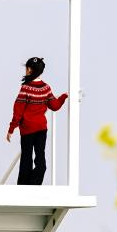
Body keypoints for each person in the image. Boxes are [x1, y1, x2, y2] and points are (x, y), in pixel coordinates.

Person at [6, 57, 69, 185]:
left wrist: (11, 129)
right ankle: (34, 185)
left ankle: (24, 187)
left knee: (26, 160)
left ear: (29, 69)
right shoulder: (46, 88)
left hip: (27, 130)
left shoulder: (26, 88)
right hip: (41, 129)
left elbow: (18, 111)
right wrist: (64, 96)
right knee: (40, 160)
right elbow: (55, 106)